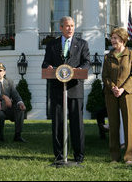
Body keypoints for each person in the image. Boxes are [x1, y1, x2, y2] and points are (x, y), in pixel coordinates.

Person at [42, 16, 90, 164]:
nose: (70, 28)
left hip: (75, 88)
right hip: (57, 89)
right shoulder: (52, 45)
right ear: (61, 27)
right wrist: (48, 67)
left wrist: (79, 69)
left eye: (72, 25)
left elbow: (87, 62)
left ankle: (78, 156)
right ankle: (59, 156)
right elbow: (46, 62)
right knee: (57, 123)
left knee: (77, 123)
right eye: (67, 26)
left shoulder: (82, 44)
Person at [102, 27, 132, 165]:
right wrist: (113, 88)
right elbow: (104, 76)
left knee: (128, 125)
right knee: (113, 124)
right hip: (111, 94)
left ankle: (128, 157)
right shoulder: (107, 56)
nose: (112, 40)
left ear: (123, 40)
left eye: (115, 38)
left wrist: (122, 89)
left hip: (128, 94)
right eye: (112, 38)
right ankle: (114, 157)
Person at [0, 62, 26, 142]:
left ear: (4, 72)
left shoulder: (9, 81)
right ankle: (0, 137)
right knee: (0, 115)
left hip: (8, 107)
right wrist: (3, 96)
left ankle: (18, 136)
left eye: (0, 70)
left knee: (20, 109)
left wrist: (20, 102)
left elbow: (15, 94)